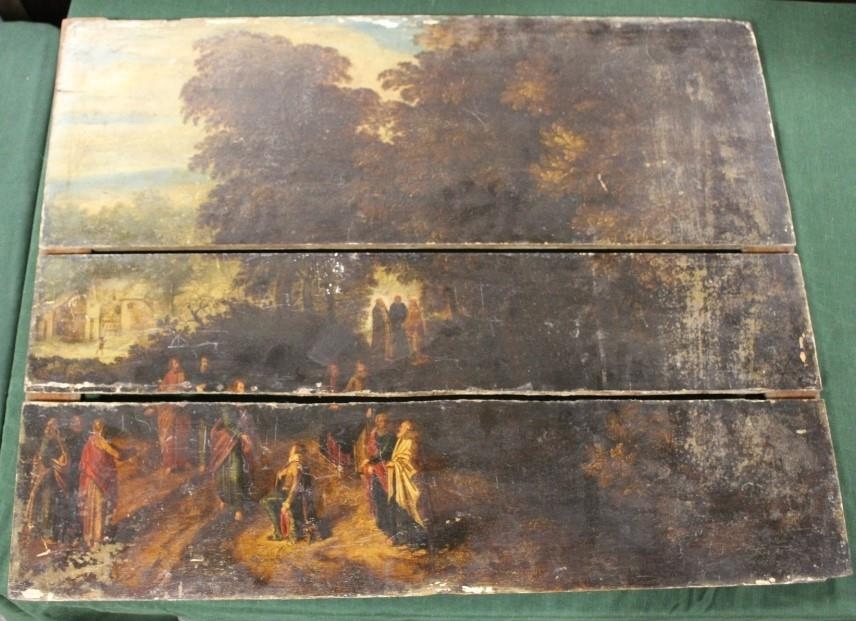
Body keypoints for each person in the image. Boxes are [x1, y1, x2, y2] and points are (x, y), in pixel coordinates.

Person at [261, 443, 318, 542]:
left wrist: (288, 502)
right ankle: (279, 530)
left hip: (292, 495)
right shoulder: (294, 463)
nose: (290, 451)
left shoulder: (296, 464)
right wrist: (282, 473)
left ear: (296, 452)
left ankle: (279, 533)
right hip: (289, 493)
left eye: (292, 450)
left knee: (265, 501)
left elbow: (295, 485)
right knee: (270, 499)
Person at [24, 418, 69, 544]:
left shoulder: (58, 439)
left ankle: (51, 534)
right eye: (52, 426)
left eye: (55, 426)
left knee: (52, 505)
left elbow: (64, 454)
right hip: (46, 475)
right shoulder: (46, 439)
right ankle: (44, 534)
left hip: (54, 475)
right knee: (45, 504)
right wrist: (55, 462)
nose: (53, 428)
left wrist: (60, 459)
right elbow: (43, 457)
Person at [78, 419, 121, 549]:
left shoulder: (88, 442)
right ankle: (97, 540)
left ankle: (89, 539)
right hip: (99, 481)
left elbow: (83, 464)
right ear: (101, 428)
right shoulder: (100, 440)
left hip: (90, 480)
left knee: (91, 508)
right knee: (99, 509)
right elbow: (116, 454)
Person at [388, 420, 430, 549]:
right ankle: (408, 540)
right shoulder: (402, 440)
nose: (399, 428)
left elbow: (409, 461)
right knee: (404, 508)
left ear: (407, 429)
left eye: (401, 427)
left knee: (414, 508)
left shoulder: (411, 441)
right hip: (402, 480)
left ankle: (419, 542)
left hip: (411, 480)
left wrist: (394, 464)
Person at [208, 411, 255, 521]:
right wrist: (241, 435)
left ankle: (239, 508)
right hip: (224, 441)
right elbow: (228, 422)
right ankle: (226, 501)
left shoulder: (244, 410)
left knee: (236, 476)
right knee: (223, 475)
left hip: (236, 444)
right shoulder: (227, 407)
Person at [360, 412, 397, 538]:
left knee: (388, 498)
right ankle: (382, 525)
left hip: (386, 470)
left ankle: (392, 530)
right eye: (381, 421)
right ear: (376, 422)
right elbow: (369, 450)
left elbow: (385, 453)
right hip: (375, 471)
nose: (383, 423)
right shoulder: (373, 435)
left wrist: (369, 461)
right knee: (377, 497)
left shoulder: (391, 436)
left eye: (385, 421)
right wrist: (370, 464)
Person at [154, 358, 192, 473]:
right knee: (169, 437)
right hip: (170, 410)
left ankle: (182, 462)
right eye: (175, 363)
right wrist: (170, 389)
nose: (177, 365)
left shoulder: (184, 374)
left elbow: (188, 389)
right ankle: (170, 464)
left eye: (178, 363)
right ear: (171, 365)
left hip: (181, 410)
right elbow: (163, 389)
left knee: (182, 436)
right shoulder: (168, 375)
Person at [404, 298, 427, 363]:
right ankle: (416, 358)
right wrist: (406, 325)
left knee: (418, 342)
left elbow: (420, 318)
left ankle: (419, 356)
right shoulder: (410, 310)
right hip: (413, 327)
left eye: (414, 302)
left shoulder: (417, 309)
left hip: (418, 327)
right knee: (415, 343)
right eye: (411, 302)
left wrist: (421, 323)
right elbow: (408, 319)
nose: (412, 303)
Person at [388, 295, 410, 360]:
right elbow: (391, 315)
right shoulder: (392, 306)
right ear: (395, 300)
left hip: (402, 324)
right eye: (396, 299)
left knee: (403, 339)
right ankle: (397, 355)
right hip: (395, 325)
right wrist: (396, 320)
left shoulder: (403, 305)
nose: (398, 300)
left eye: (399, 299)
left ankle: (405, 354)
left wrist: (403, 321)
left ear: (400, 300)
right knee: (397, 340)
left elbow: (406, 314)